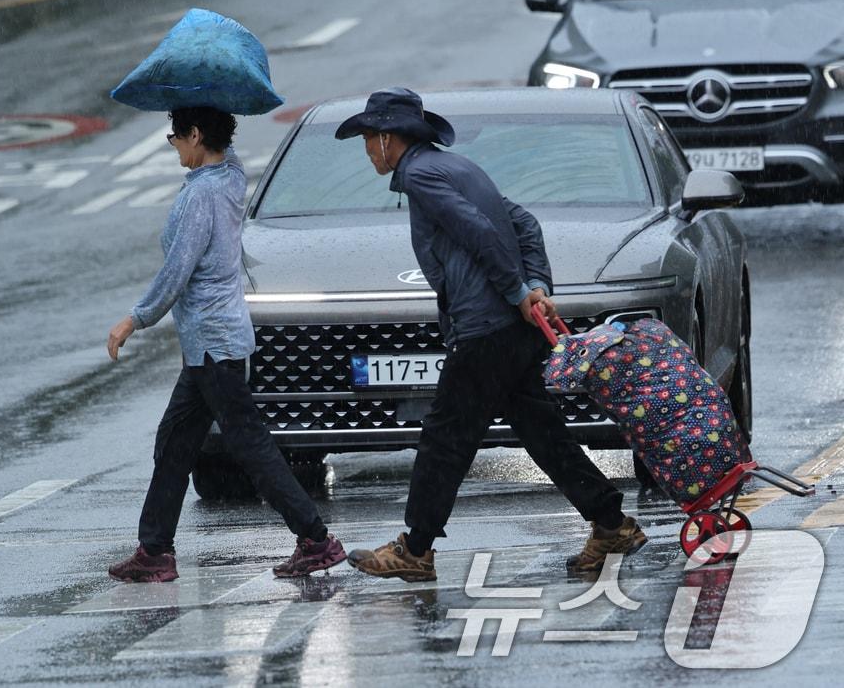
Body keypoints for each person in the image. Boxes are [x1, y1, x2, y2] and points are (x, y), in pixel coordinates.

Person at [335, 88, 646, 580]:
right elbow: (523, 222)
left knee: (443, 439)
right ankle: (611, 523)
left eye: (368, 139)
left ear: (388, 139)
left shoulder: (418, 175)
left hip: (484, 328)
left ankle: (415, 549)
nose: (367, 150)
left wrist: (519, 290)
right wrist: (536, 286)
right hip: (509, 329)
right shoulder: (458, 167)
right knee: (541, 432)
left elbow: (477, 230)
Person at [105, 106, 346, 583]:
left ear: (195, 136)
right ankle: (155, 550)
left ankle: (316, 539)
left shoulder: (205, 194)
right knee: (174, 443)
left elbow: (179, 268)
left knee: (250, 446)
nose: (173, 145)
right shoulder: (231, 176)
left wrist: (135, 319)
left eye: (177, 137)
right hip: (208, 346)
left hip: (214, 344)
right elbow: (224, 152)